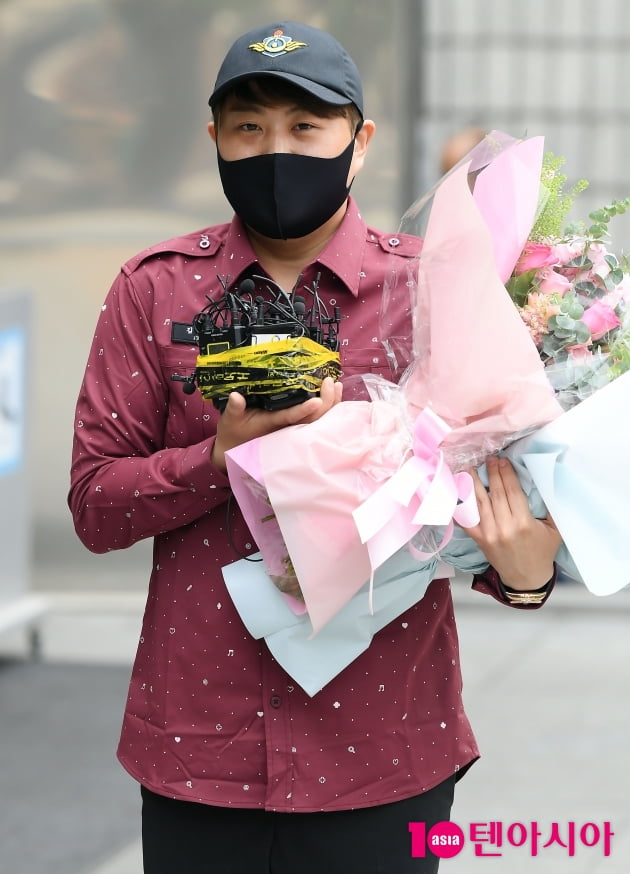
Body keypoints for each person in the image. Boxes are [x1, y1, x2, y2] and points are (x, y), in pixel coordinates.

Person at [68, 21, 561, 874]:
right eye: (249, 128)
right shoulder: (153, 287)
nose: (275, 151)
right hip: (198, 749)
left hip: (389, 747)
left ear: (359, 142)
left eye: (306, 128)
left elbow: (499, 509)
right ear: (214, 137)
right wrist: (216, 462)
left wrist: (528, 575)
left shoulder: (436, 287)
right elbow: (93, 508)